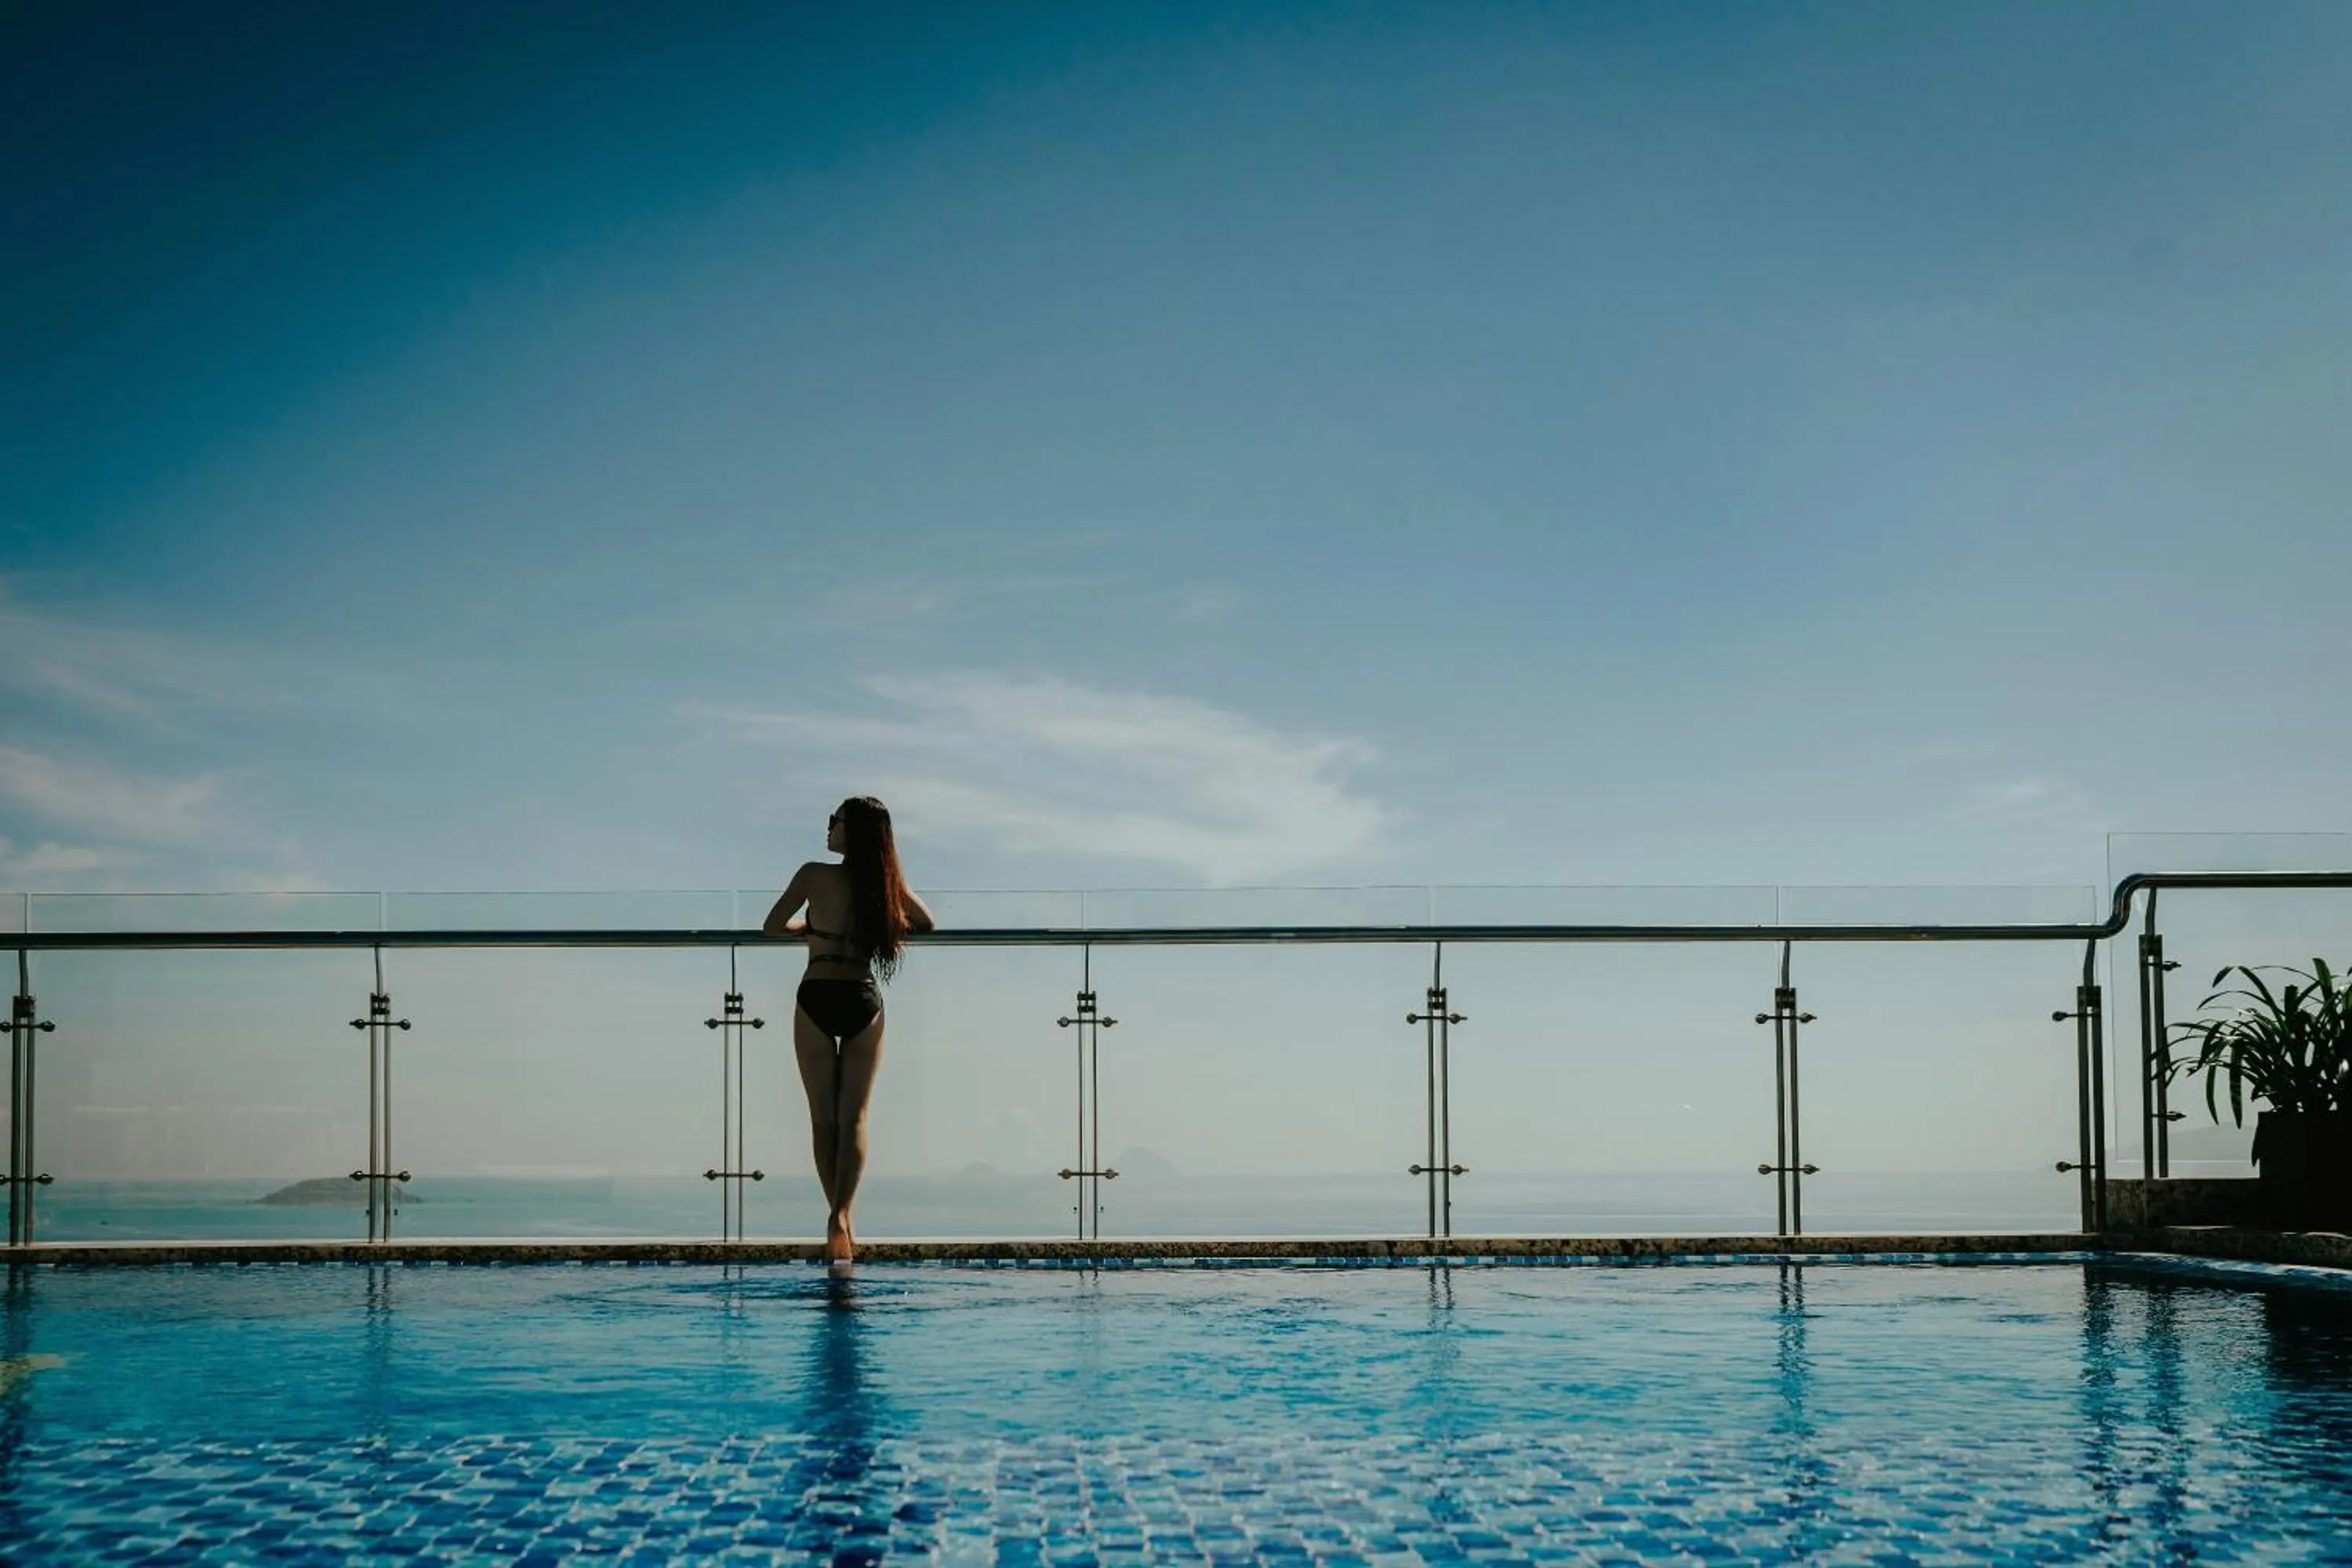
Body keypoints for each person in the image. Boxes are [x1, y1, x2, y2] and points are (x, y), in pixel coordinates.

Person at [764, 796, 934, 1265]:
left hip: (816, 991)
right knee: (855, 1118)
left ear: (850, 830)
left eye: (834, 820)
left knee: (824, 1118)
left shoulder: (813, 875)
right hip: (862, 995)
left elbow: (773, 925)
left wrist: (811, 929)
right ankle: (842, 1214)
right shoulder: (884, 883)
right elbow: (926, 922)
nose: (828, 828)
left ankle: (837, 1216)